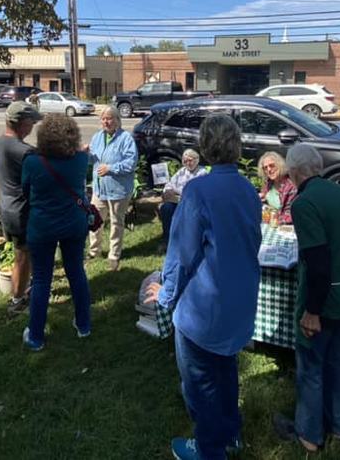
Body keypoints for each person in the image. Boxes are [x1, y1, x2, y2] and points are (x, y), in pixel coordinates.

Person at [145, 114, 262, 460]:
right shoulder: (248, 189)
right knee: (225, 371)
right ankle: (231, 433)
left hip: (205, 308)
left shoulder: (198, 191)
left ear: (206, 147)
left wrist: (164, 294)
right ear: (236, 145)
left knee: (198, 384)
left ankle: (211, 449)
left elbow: (181, 254)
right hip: (240, 300)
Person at [272, 143, 340, 453]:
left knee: (311, 367)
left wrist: (312, 312)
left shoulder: (304, 203)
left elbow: (319, 262)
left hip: (325, 300)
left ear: (295, 172)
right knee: (337, 364)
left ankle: (309, 435)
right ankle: (337, 426)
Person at [19, 114, 92, 351]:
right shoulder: (81, 159)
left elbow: (25, 189)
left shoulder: (32, 163)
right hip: (74, 224)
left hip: (42, 227)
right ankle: (83, 325)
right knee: (76, 272)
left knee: (41, 279)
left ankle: (36, 337)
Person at [0, 100, 41, 314]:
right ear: (21, 122)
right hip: (22, 211)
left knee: (19, 254)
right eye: (31, 122)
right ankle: (17, 301)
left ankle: (21, 290)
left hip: (6, 207)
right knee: (23, 257)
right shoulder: (25, 152)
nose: (33, 127)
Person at [86, 106, 137, 271]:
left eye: (109, 118)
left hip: (118, 190)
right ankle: (94, 251)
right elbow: (92, 160)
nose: (106, 122)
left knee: (116, 222)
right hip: (99, 189)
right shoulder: (97, 137)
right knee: (94, 221)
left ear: (117, 120)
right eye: (103, 119)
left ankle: (114, 255)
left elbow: (131, 163)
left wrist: (111, 168)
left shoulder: (126, 138)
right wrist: (84, 154)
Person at [157, 149, 207, 252]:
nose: (187, 163)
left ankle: (188, 242)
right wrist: (167, 190)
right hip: (177, 201)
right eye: (185, 161)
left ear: (197, 160)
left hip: (193, 204)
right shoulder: (181, 171)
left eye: (190, 160)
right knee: (166, 208)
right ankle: (167, 239)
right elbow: (169, 184)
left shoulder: (202, 172)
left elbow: (193, 191)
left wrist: (175, 190)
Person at [258, 151, 297, 225]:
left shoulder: (291, 187)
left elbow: (290, 215)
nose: (269, 170)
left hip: (284, 227)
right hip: (269, 223)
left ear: (280, 165)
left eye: (272, 165)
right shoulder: (268, 183)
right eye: (265, 168)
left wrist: (272, 219)